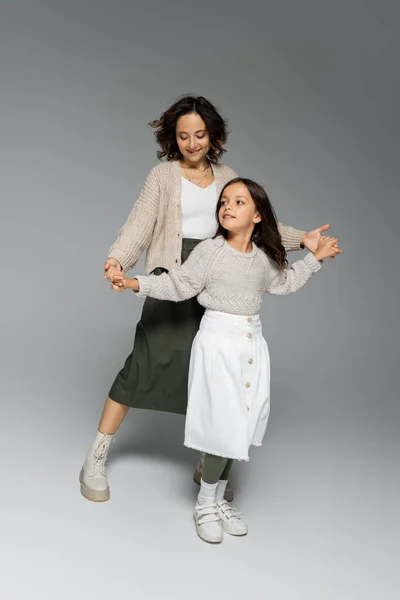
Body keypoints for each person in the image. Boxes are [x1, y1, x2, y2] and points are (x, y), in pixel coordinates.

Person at [79, 95, 340, 505]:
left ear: (213, 135)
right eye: (183, 136)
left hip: (218, 278)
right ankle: (96, 456)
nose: (192, 143)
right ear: (173, 138)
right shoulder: (162, 177)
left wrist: (302, 239)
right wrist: (118, 260)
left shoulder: (227, 176)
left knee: (212, 374)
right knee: (142, 364)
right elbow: (140, 223)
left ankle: (210, 463)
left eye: (200, 134)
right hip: (174, 273)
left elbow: (259, 221)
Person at [110, 177, 341, 543]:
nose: (227, 207)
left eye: (238, 202)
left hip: (251, 344)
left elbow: (284, 283)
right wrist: (136, 283)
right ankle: (204, 503)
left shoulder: (263, 258)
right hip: (217, 343)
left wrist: (314, 259)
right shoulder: (210, 251)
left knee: (241, 423)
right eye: (223, 202)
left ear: (258, 215)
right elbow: (179, 284)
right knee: (223, 425)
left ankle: (217, 500)